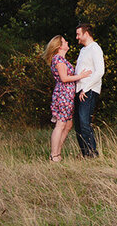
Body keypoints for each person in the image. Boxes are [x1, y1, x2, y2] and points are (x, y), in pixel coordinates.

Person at [43, 35, 93, 162]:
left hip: (67, 96)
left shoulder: (61, 59)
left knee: (68, 124)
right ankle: (54, 155)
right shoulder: (58, 59)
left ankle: (57, 152)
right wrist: (81, 76)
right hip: (63, 96)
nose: (67, 42)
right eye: (65, 41)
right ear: (60, 46)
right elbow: (64, 78)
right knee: (60, 124)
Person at [72, 23, 105, 157]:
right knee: (79, 124)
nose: (77, 37)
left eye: (78, 34)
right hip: (79, 91)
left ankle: (92, 152)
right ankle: (84, 153)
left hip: (89, 90)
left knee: (85, 121)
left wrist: (86, 89)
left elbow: (100, 71)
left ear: (86, 34)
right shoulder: (83, 50)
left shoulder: (95, 48)